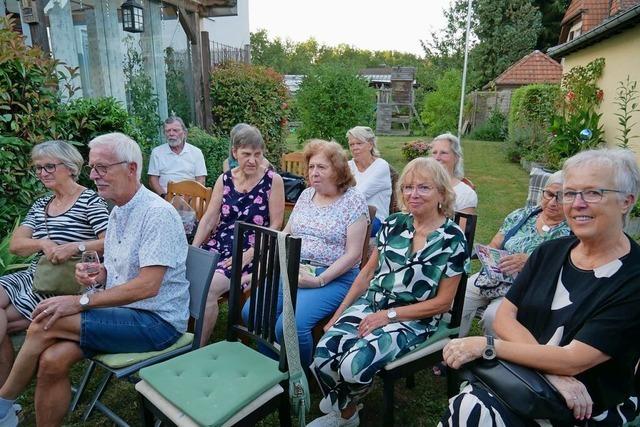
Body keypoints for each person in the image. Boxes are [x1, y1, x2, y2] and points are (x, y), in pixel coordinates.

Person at [0, 133, 190, 427]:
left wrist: (80, 301)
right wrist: (98, 274)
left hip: (156, 322)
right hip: (123, 314)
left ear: (131, 168)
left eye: (102, 168)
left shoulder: (157, 214)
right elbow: (119, 269)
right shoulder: (118, 210)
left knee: (44, 318)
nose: (94, 176)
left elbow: (147, 286)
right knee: (52, 360)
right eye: (92, 168)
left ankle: (2, 404)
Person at [440, 148, 640, 426]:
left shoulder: (632, 278)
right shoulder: (551, 252)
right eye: (570, 193)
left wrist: (486, 346)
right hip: (525, 378)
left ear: (626, 202)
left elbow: (574, 360)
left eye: (593, 192)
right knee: (467, 408)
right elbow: (503, 317)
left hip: (586, 403)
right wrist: (551, 370)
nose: (576, 203)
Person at [309, 157, 469, 427]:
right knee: (323, 355)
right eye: (407, 187)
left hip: (414, 319)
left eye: (423, 188)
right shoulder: (394, 224)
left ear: (442, 192)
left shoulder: (452, 239)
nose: (412, 194)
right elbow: (365, 276)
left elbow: (443, 303)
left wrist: (389, 316)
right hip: (371, 304)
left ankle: (344, 412)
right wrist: (337, 316)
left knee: (352, 366)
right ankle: (347, 405)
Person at [242, 139, 369, 368]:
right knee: (252, 312)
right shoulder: (305, 195)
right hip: (294, 269)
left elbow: (353, 254)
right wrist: (261, 271)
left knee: (289, 325)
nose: (314, 173)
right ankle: (272, 366)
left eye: (321, 167)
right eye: (311, 167)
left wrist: (320, 280)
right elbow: (286, 235)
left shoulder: (353, 200)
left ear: (338, 170)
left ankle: (299, 375)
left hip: (335, 277)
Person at [0, 140, 108, 386]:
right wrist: (43, 244)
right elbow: (17, 244)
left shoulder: (90, 201)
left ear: (70, 167)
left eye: (49, 166)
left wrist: (75, 247)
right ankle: (4, 398)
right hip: (35, 275)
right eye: (38, 168)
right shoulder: (41, 204)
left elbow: (110, 241)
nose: (42, 173)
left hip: (68, 282)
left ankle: (4, 400)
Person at [193, 125, 284, 345]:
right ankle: (180, 335)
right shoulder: (224, 180)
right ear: (235, 153)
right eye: (246, 154)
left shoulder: (273, 181)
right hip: (220, 244)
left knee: (209, 288)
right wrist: (194, 250)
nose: (252, 160)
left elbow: (277, 224)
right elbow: (208, 219)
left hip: (256, 249)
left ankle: (197, 349)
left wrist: (250, 254)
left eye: (257, 154)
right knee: (188, 276)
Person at [458, 171, 570, 338]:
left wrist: (531, 262)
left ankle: (492, 358)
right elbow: (495, 244)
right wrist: (490, 258)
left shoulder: (572, 231)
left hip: (529, 287)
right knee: (458, 297)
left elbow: (566, 271)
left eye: (561, 197)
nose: (553, 202)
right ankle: (452, 346)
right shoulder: (521, 215)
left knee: (493, 318)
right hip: (495, 276)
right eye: (549, 194)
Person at [347, 126, 392, 237]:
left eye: (359, 143)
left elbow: (359, 195)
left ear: (370, 145)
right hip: (348, 215)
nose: (355, 148)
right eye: (351, 144)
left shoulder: (381, 166)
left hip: (376, 219)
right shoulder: (348, 166)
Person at [148, 116, 207, 196]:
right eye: (168, 131)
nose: (171, 134)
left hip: (190, 197)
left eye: (175, 130)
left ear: (184, 132)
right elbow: (153, 180)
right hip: (165, 197)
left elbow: (201, 179)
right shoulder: (157, 153)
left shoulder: (196, 152)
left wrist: (192, 197)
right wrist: (164, 197)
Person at [430, 133, 477, 214]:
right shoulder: (418, 186)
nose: (437, 158)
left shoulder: (465, 194)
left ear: (456, 158)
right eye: (434, 152)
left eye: (443, 153)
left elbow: (463, 226)